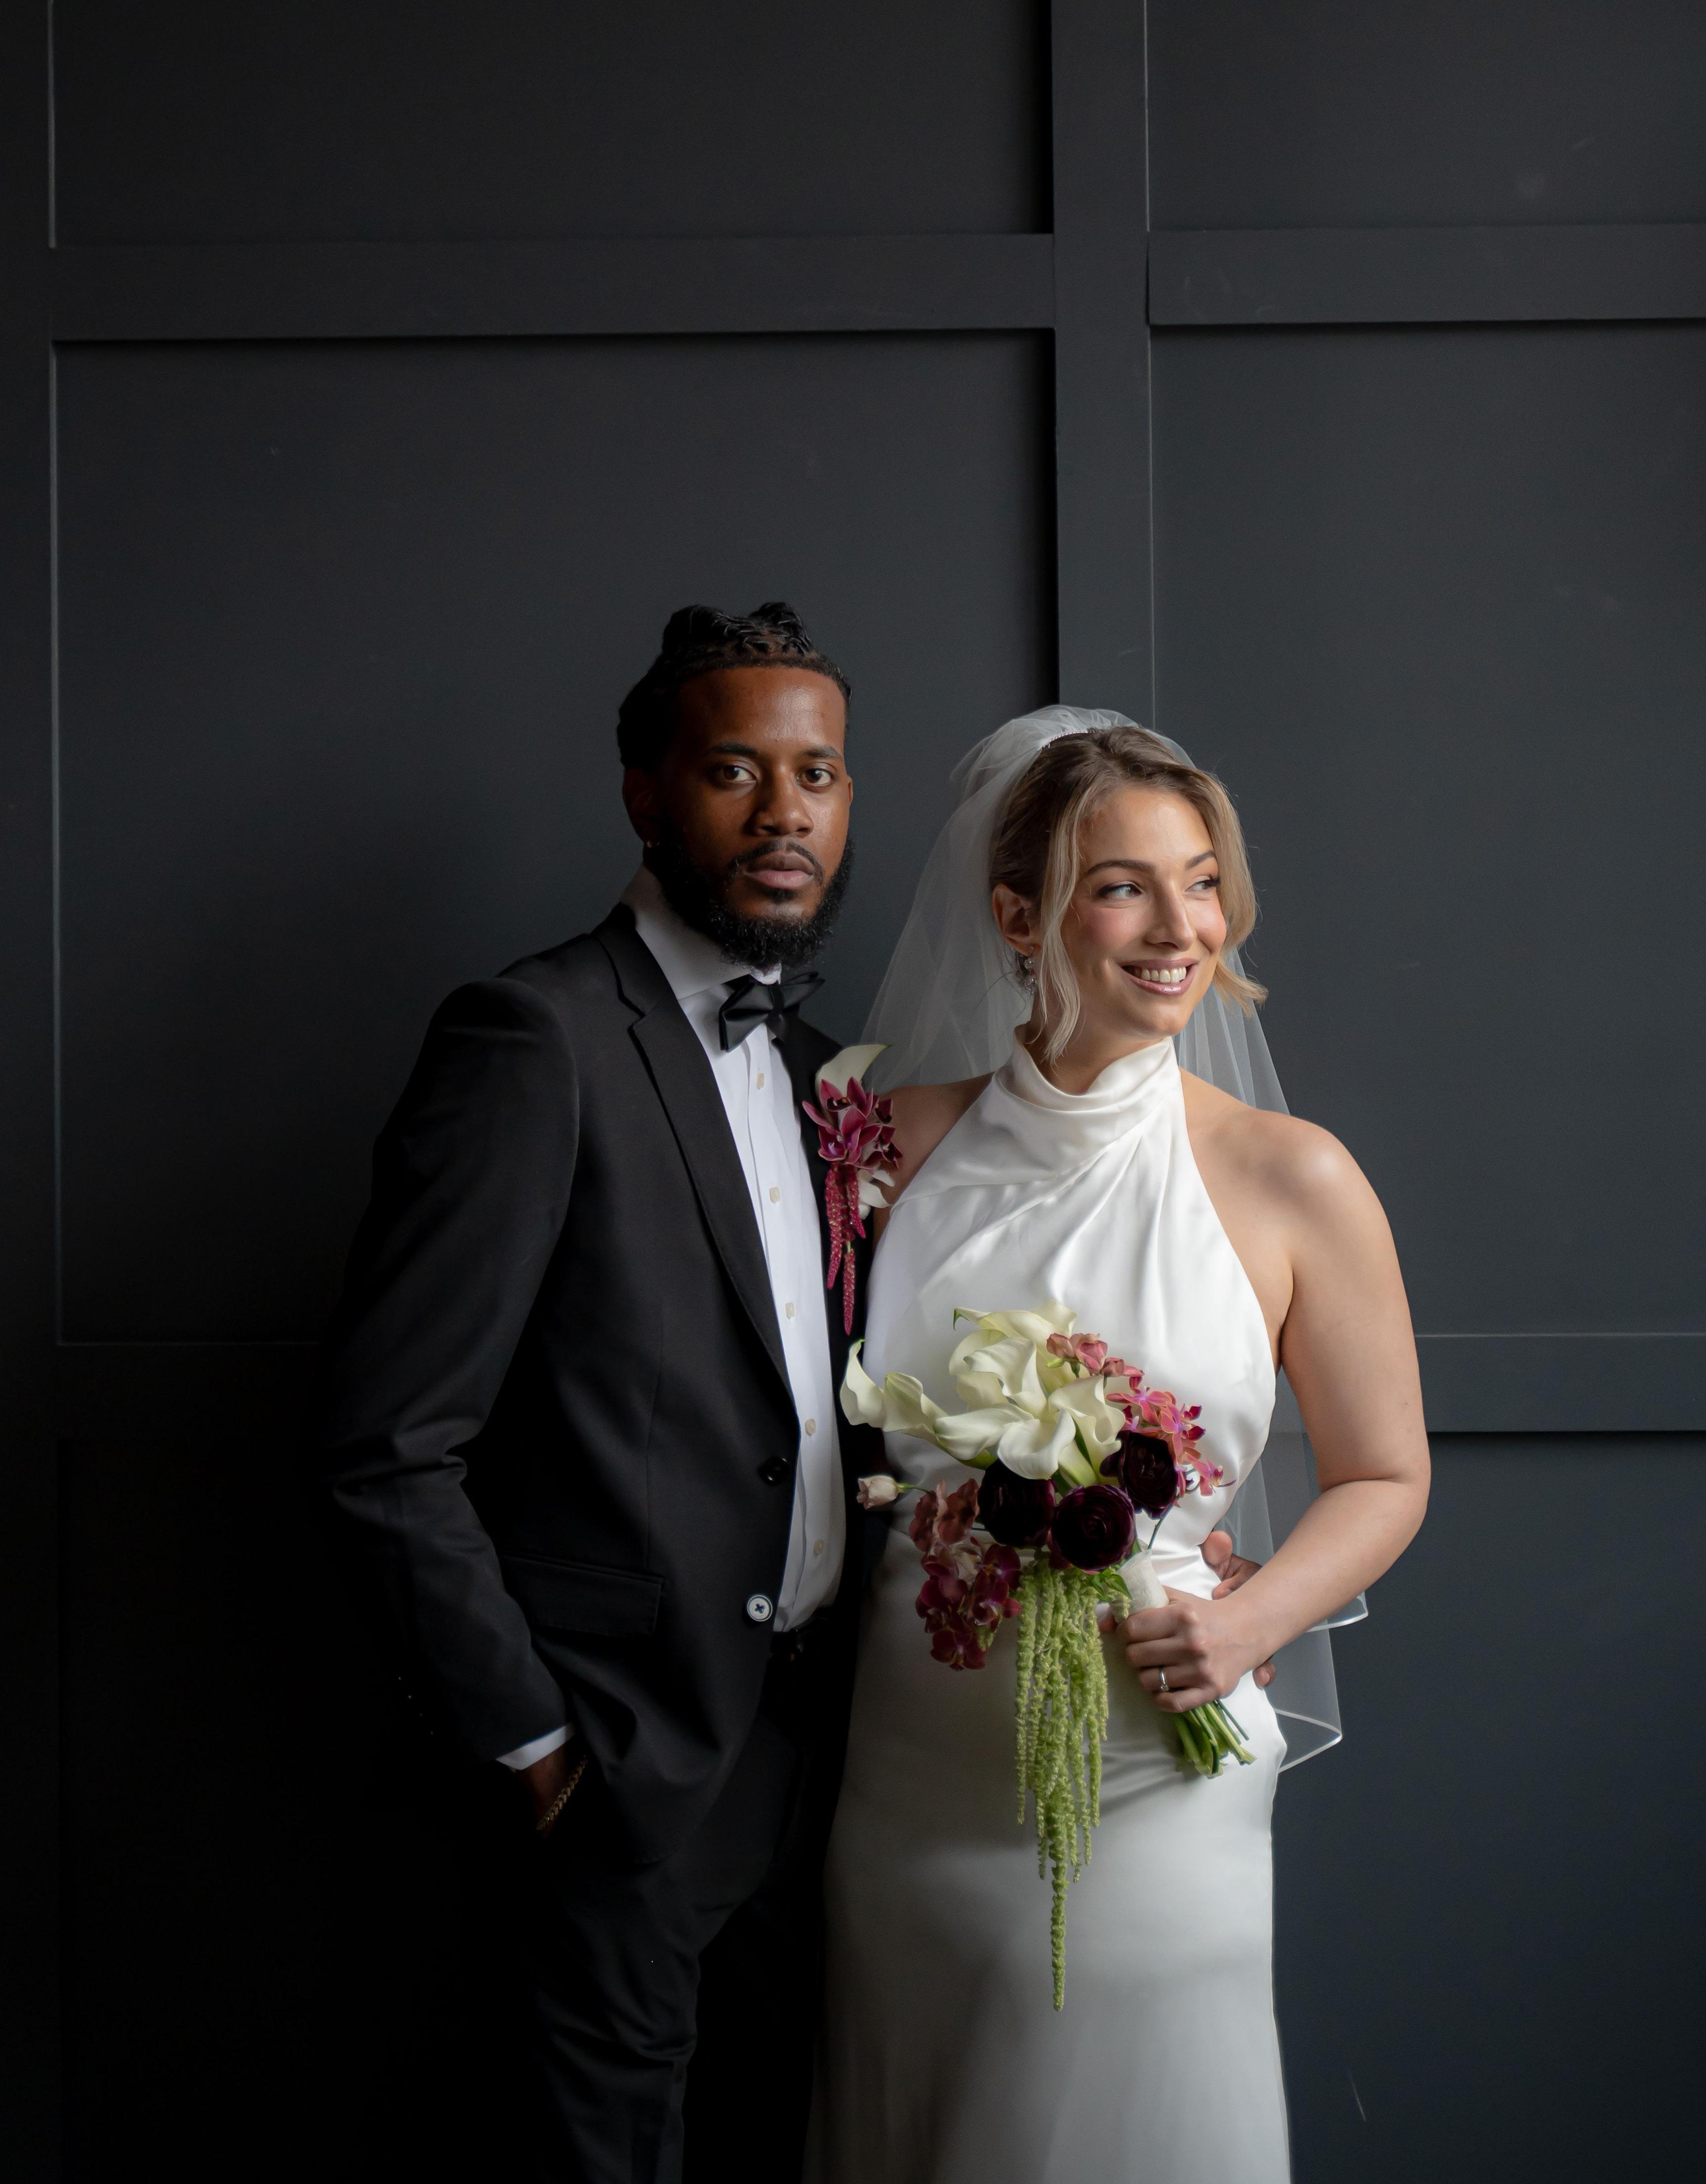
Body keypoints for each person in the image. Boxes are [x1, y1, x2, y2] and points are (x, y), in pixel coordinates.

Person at [808, 712, 1430, 2183]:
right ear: (1017, 915)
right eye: (1122, 887)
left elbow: (1386, 1474)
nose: (1180, 930)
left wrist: (1252, 1623)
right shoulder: (881, 1145)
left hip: (1158, 1767)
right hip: (913, 1771)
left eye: (1201, 883)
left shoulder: (1292, 1176)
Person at [317, 601, 884, 2184]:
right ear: (644, 793)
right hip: (619, 1773)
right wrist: (535, 1746)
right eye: (733, 770)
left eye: (819, 775)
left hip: (824, 1770)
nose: (783, 815)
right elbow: (384, 1447)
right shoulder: (533, 1038)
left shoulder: (829, 1074)